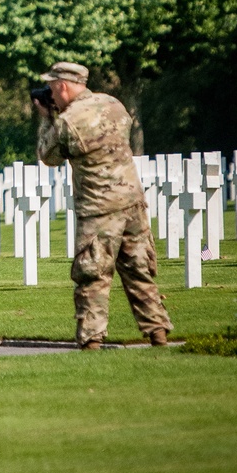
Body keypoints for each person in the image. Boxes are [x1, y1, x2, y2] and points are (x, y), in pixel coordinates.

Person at [34, 60, 172, 350]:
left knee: (93, 273)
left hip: (99, 206)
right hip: (132, 202)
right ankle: (157, 331)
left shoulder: (69, 121)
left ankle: (92, 339)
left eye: (52, 87)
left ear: (62, 85)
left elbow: (48, 156)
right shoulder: (114, 104)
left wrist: (47, 118)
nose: (51, 93)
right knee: (138, 270)